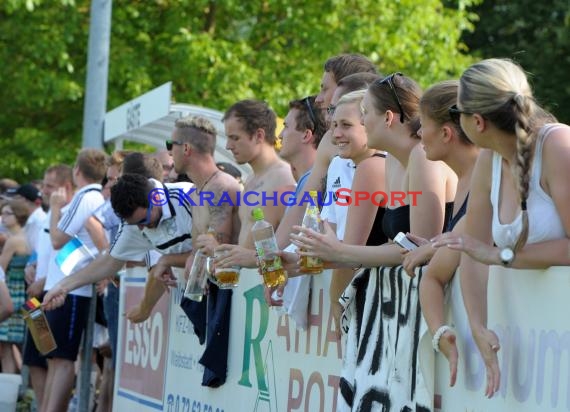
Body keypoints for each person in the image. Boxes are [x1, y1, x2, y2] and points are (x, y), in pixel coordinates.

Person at [292, 73, 456, 411]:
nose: (362, 121)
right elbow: (399, 244)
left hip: (432, 310)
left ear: (388, 118)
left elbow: (418, 250)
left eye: (364, 113)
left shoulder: (422, 158)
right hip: (398, 313)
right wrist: (322, 255)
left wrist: (339, 252)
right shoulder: (395, 161)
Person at [431, 58, 570, 397]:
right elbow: (472, 250)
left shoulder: (558, 145)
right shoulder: (489, 161)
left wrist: (501, 255)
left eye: (456, 111)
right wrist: (478, 326)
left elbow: (486, 252)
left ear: (476, 121)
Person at [411, 80, 479, 388]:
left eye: (422, 126)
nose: (418, 135)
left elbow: (435, 273)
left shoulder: (488, 178)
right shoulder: (466, 178)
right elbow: (434, 275)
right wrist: (440, 333)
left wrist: (439, 246)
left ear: (446, 133)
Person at [42, 148, 108, 412]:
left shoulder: (86, 198)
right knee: (53, 357)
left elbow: (57, 239)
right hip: (59, 287)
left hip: (73, 291)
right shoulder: (86, 197)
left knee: (63, 358)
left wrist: (56, 208)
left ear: (77, 172)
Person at [213, 99, 296, 271]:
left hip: (274, 284)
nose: (228, 146)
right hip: (249, 287)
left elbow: (291, 245)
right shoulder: (250, 179)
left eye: (235, 138)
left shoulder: (285, 178)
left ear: (259, 135)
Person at [22, 164, 73, 408]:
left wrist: (43, 280)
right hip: (35, 296)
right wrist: (32, 267)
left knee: (50, 356)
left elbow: (68, 253)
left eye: (50, 186)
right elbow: (41, 253)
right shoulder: (47, 216)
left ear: (65, 188)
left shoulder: (65, 216)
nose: (43, 191)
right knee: (34, 356)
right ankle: (41, 405)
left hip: (51, 293)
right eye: (43, 185)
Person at [0, 198, 31, 373]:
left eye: (7, 213)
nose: (3, 217)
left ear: (18, 215)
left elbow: (0, 268)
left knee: (6, 348)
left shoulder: (13, 240)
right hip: (21, 293)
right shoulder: (26, 236)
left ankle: (7, 393)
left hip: (11, 293)